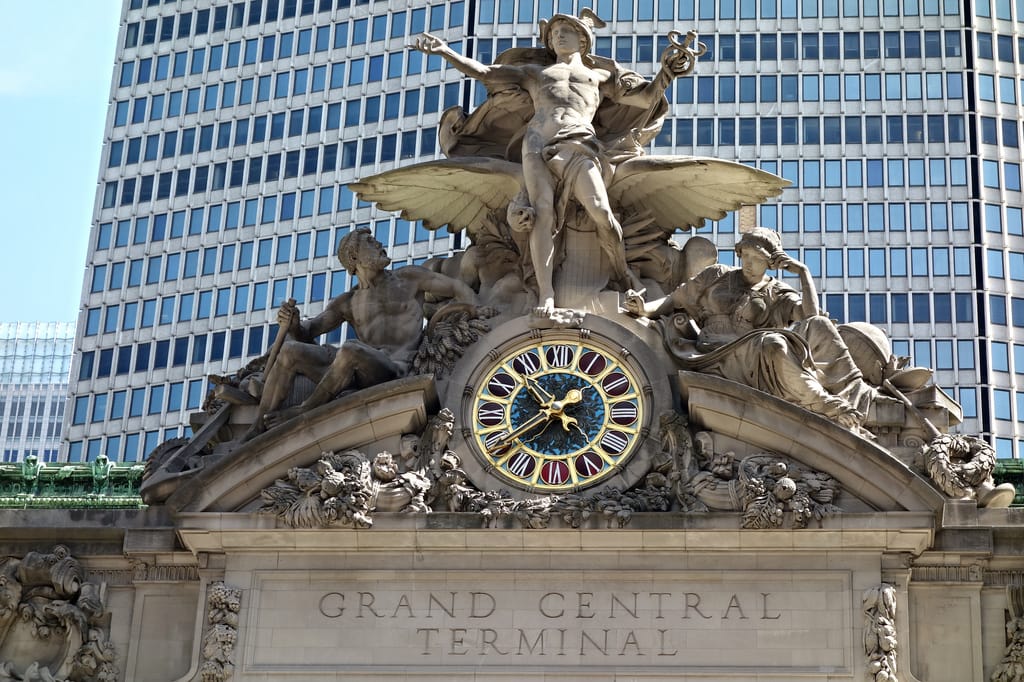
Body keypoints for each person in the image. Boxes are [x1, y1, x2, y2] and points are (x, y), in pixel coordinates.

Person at [412, 11, 696, 313]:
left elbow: (646, 98)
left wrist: (667, 72)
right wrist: (446, 51)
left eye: (565, 31)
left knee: (601, 213)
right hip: (537, 143)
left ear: (583, 40)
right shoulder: (534, 73)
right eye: (554, 32)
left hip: (579, 142)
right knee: (542, 214)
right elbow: (485, 72)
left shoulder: (600, 77)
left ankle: (621, 271)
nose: (558, 36)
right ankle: (545, 292)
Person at [625, 227, 884, 429]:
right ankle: (823, 403)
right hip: (713, 352)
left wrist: (803, 273)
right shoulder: (717, 274)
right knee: (774, 343)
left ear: (771, 262)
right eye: (746, 256)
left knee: (818, 325)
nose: (749, 263)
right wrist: (644, 309)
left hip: (754, 357)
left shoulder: (776, 291)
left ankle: (856, 395)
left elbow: (810, 316)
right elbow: (675, 299)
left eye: (757, 259)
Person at [243, 229, 477, 440]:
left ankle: (304, 410)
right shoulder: (348, 302)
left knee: (350, 349)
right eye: (371, 243)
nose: (379, 244)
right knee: (289, 350)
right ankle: (258, 425)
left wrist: (478, 310)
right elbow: (308, 331)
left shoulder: (409, 278)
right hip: (360, 372)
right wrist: (293, 323)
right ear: (354, 258)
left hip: (397, 369)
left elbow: (456, 287)